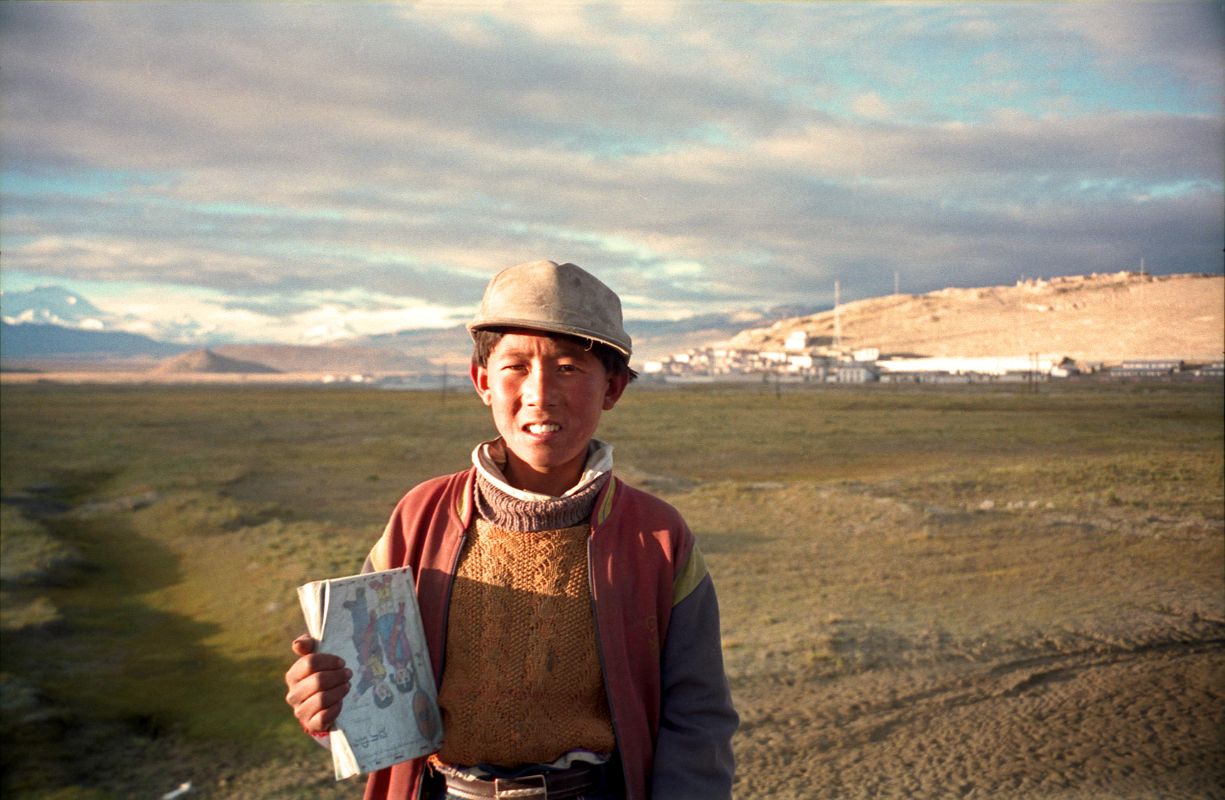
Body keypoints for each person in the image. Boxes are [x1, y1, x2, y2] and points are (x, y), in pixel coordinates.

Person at [284, 260, 738, 799]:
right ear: (482, 382)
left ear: (612, 387)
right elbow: (367, 700)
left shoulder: (658, 538)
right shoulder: (420, 517)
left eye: (570, 368)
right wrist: (326, 703)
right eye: (516, 367)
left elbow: (698, 718)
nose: (540, 394)